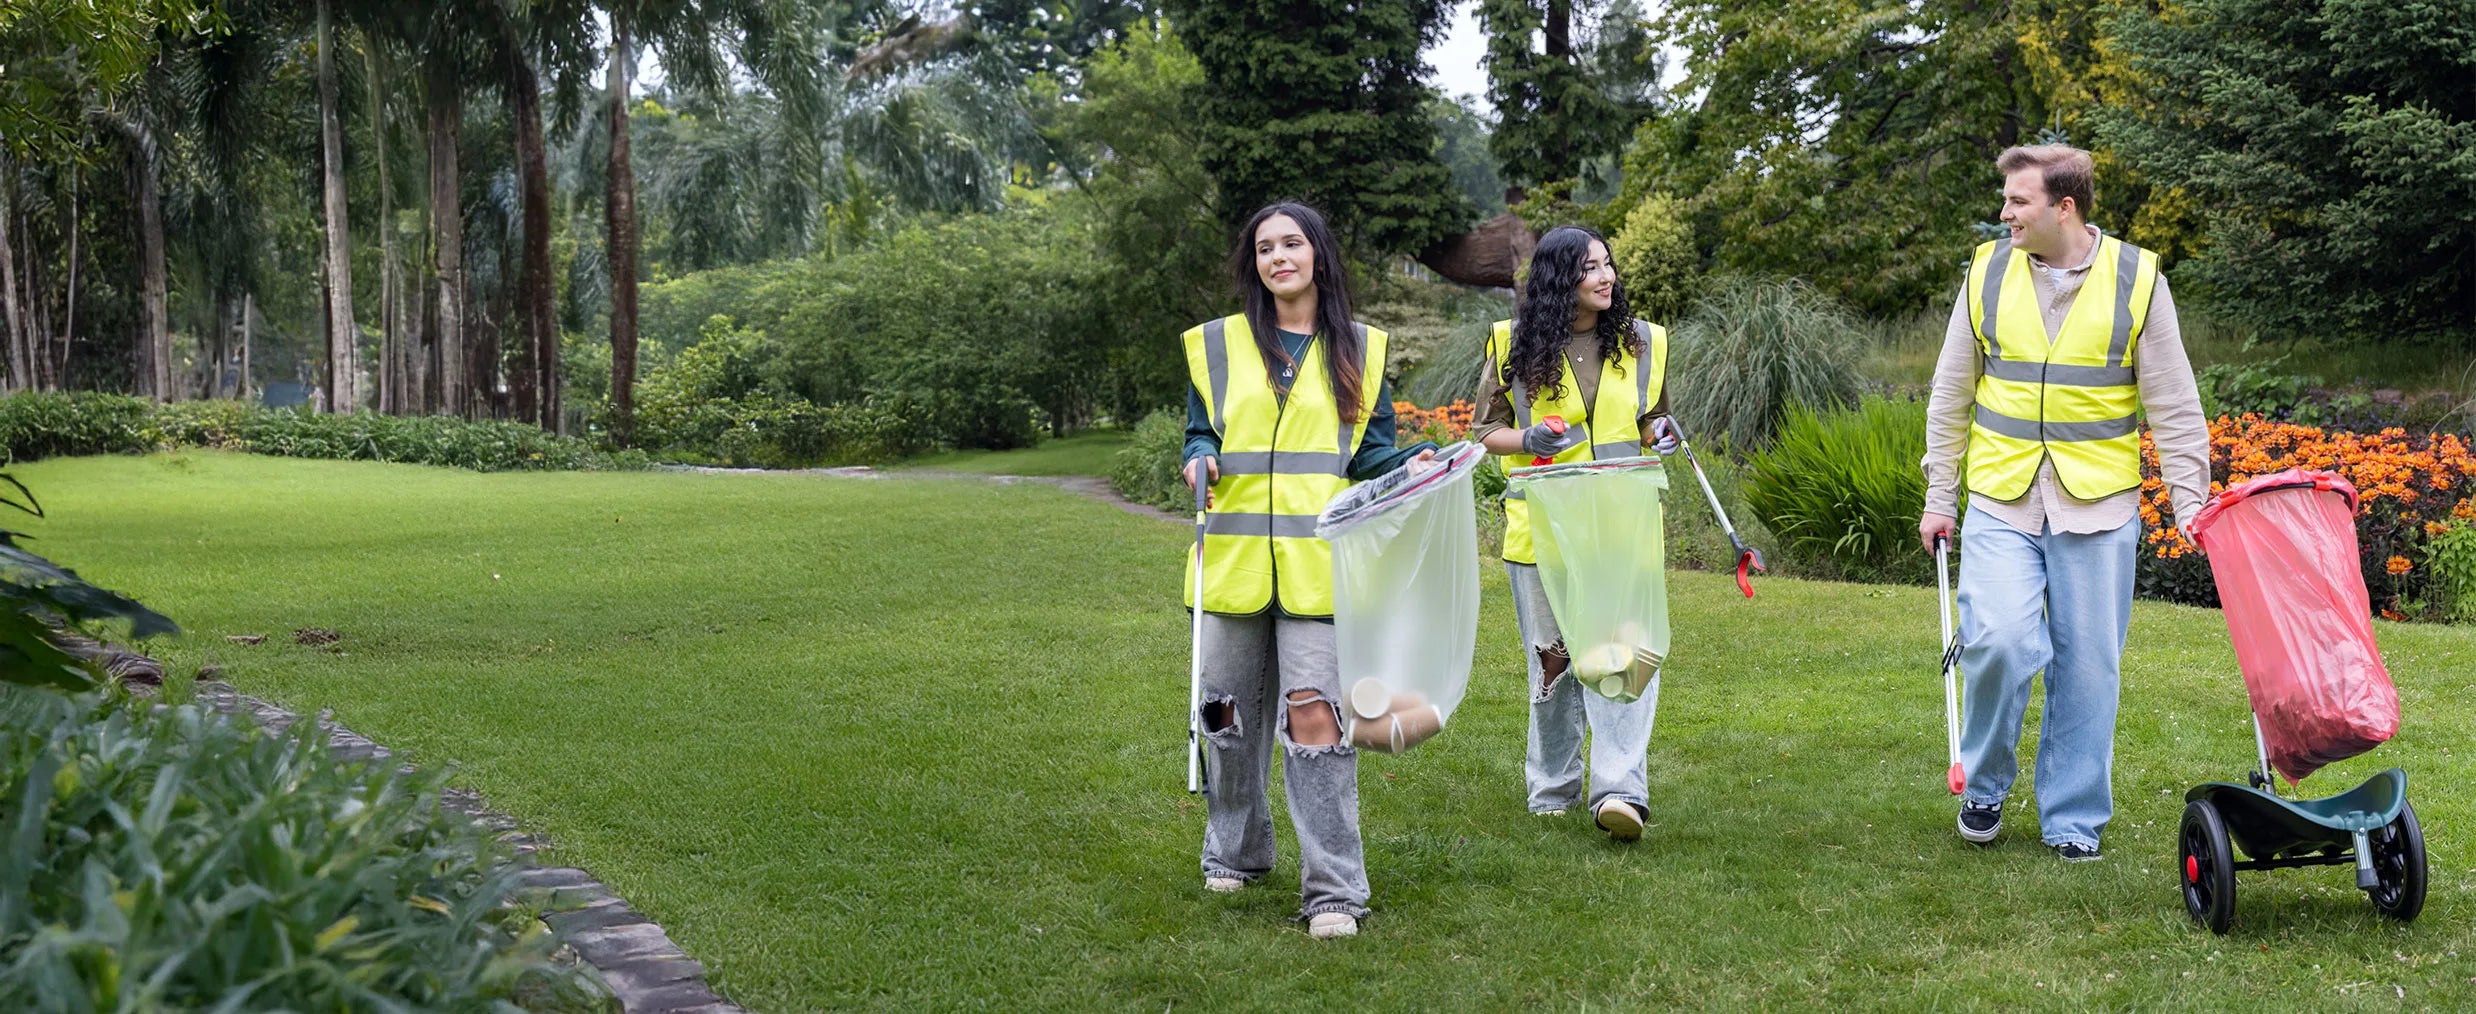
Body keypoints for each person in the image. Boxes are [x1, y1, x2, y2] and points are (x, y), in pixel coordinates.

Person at [1918, 144, 2210, 861]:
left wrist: (2189, 501)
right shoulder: (1986, 272)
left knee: (2088, 668)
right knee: (2000, 641)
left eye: (2018, 201)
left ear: (2064, 207)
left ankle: (2073, 820)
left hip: (2098, 504)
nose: (2004, 212)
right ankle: (1983, 783)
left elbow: (2173, 402)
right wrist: (1939, 493)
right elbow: (1951, 392)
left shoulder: (2139, 279)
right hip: (2002, 497)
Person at [1180, 200, 1437, 939]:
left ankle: (1333, 891)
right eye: (1264, 248)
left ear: (1318, 254)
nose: (1277, 257)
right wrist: (1198, 460)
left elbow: (1372, 456)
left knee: (1317, 719)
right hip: (1229, 563)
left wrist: (1408, 463)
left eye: (1291, 243)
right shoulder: (1218, 347)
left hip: (1321, 568)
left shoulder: (1363, 349)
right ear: (1253, 264)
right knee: (1223, 718)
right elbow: (1200, 436)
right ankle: (1234, 849)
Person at [1469, 225, 1673, 842]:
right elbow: (1485, 430)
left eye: (1609, 265)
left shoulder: (1642, 343)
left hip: (1622, 526)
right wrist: (1528, 439)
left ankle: (1620, 790)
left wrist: (1660, 436)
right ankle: (1553, 787)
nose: (1607, 277)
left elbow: (1653, 421)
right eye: (1591, 269)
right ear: (1561, 279)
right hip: (1544, 533)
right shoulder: (1513, 343)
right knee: (1554, 665)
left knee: (1626, 658)